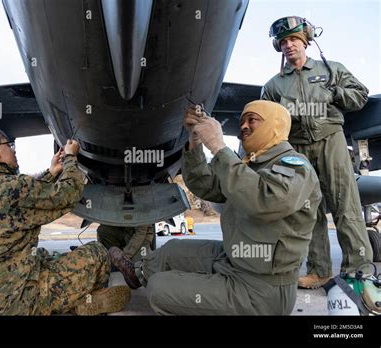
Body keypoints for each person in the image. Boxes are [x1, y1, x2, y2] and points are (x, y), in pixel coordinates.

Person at [109, 100, 322, 315]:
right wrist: (195, 140)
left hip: (262, 288)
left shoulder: (294, 165)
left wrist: (219, 147)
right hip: (234, 260)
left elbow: (265, 201)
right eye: (242, 121)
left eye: (253, 120)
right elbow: (205, 185)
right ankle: (137, 274)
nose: (244, 126)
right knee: (169, 251)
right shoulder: (250, 164)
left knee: (159, 289)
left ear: (275, 125)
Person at [0, 125, 130, 315]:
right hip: (10, 304)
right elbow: (68, 194)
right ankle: (82, 302)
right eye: (9, 145)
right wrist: (70, 158)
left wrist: (51, 172)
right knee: (97, 254)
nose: (13, 150)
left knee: (40, 255)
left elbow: (25, 200)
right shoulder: (9, 186)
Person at [261, 16, 373, 289]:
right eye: (284, 41)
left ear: (305, 42)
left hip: (330, 140)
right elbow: (266, 120)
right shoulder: (274, 85)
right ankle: (319, 270)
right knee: (308, 210)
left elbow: (360, 95)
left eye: (294, 40)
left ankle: (359, 270)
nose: (289, 46)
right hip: (296, 147)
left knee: (345, 204)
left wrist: (335, 93)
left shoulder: (331, 69)